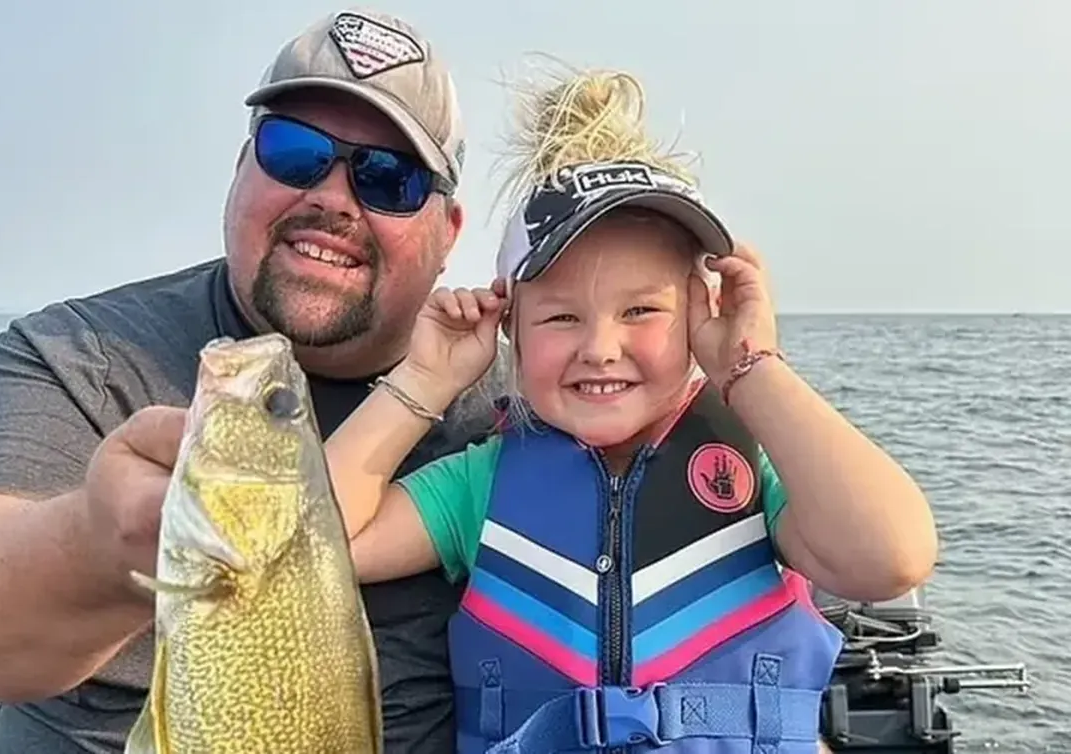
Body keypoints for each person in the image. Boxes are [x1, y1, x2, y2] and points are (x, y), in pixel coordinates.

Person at [0, 9, 496, 754]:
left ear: (449, 232)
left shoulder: (523, 411)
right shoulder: (77, 357)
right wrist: (103, 545)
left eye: (388, 178)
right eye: (295, 152)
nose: (333, 199)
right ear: (241, 169)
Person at [324, 64, 940, 752]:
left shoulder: (757, 472)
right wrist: (422, 381)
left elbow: (893, 558)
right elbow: (312, 544)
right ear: (511, 330)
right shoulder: (481, 484)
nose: (600, 348)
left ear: (701, 313)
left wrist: (751, 367)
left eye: (642, 311)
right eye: (560, 318)